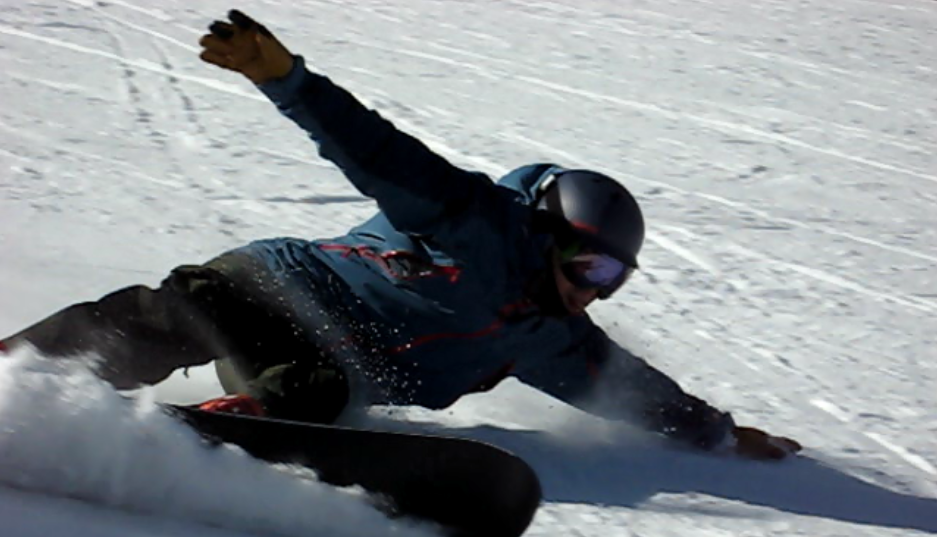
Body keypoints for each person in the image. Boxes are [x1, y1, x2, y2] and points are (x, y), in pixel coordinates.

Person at [0, 10, 801, 460]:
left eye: (611, 279)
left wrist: (718, 433)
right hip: (278, 283)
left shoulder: (554, 338)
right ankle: (17, 371)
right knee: (178, 314)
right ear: (549, 235)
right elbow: (376, 151)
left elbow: (631, 388)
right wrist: (287, 80)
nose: (592, 290)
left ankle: (220, 427)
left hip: (328, 360)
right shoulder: (472, 220)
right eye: (587, 265)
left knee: (316, 395)